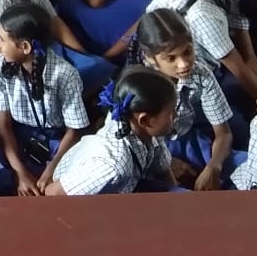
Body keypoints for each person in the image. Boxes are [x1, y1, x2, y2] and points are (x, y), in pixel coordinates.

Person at [0, 3, 88, 196]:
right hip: (14, 135)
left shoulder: (65, 74)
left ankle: (18, 183)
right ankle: (17, 180)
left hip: (54, 140)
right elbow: (3, 126)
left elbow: (73, 132)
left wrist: (50, 172)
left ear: (25, 47)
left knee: (57, 185)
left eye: (2, 40)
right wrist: (20, 172)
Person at [131, 9, 235, 191]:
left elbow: (223, 134)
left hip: (189, 141)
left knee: (240, 169)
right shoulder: (136, 86)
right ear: (150, 58)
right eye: (171, 58)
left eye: (188, 52)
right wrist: (167, 163)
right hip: (149, 153)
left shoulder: (200, 74)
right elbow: (132, 145)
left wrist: (214, 166)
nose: (184, 64)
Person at [46, 67, 177, 195]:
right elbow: (53, 192)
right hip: (85, 199)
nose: (176, 115)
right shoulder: (113, 164)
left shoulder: (143, 127)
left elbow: (163, 170)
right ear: (144, 120)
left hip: (128, 187)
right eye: (171, 113)